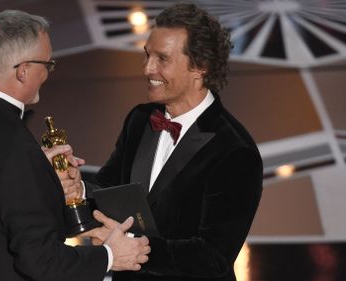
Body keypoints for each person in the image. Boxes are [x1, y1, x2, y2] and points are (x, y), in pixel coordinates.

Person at [0, 10, 150, 281]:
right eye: (47, 64)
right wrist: (110, 255)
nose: (48, 72)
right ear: (24, 70)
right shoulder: (14, 145)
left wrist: (39, 175)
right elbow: (42, 263)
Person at [60, 3, 263, 281]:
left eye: (162, 59)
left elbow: (212, 257)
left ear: (200, 66)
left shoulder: (235, 151)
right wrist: (77, 187)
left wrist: (133, 248)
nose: (147, 68)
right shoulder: (141, 119)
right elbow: (109, 189)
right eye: (147, 55)